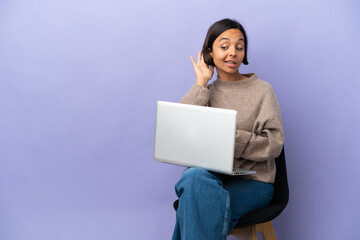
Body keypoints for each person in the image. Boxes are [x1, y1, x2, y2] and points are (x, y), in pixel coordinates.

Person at [172, 18, 284, 240]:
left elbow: (274, 144)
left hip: (253, 181)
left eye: (239, 47)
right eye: (224, 46)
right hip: (211, 177)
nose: (233, 52)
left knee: (195, 204)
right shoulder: (206, 92)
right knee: (194, 177)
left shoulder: (262, 90)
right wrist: (200, 84)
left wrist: (229, 138)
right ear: (210, 52)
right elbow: (180, 133)